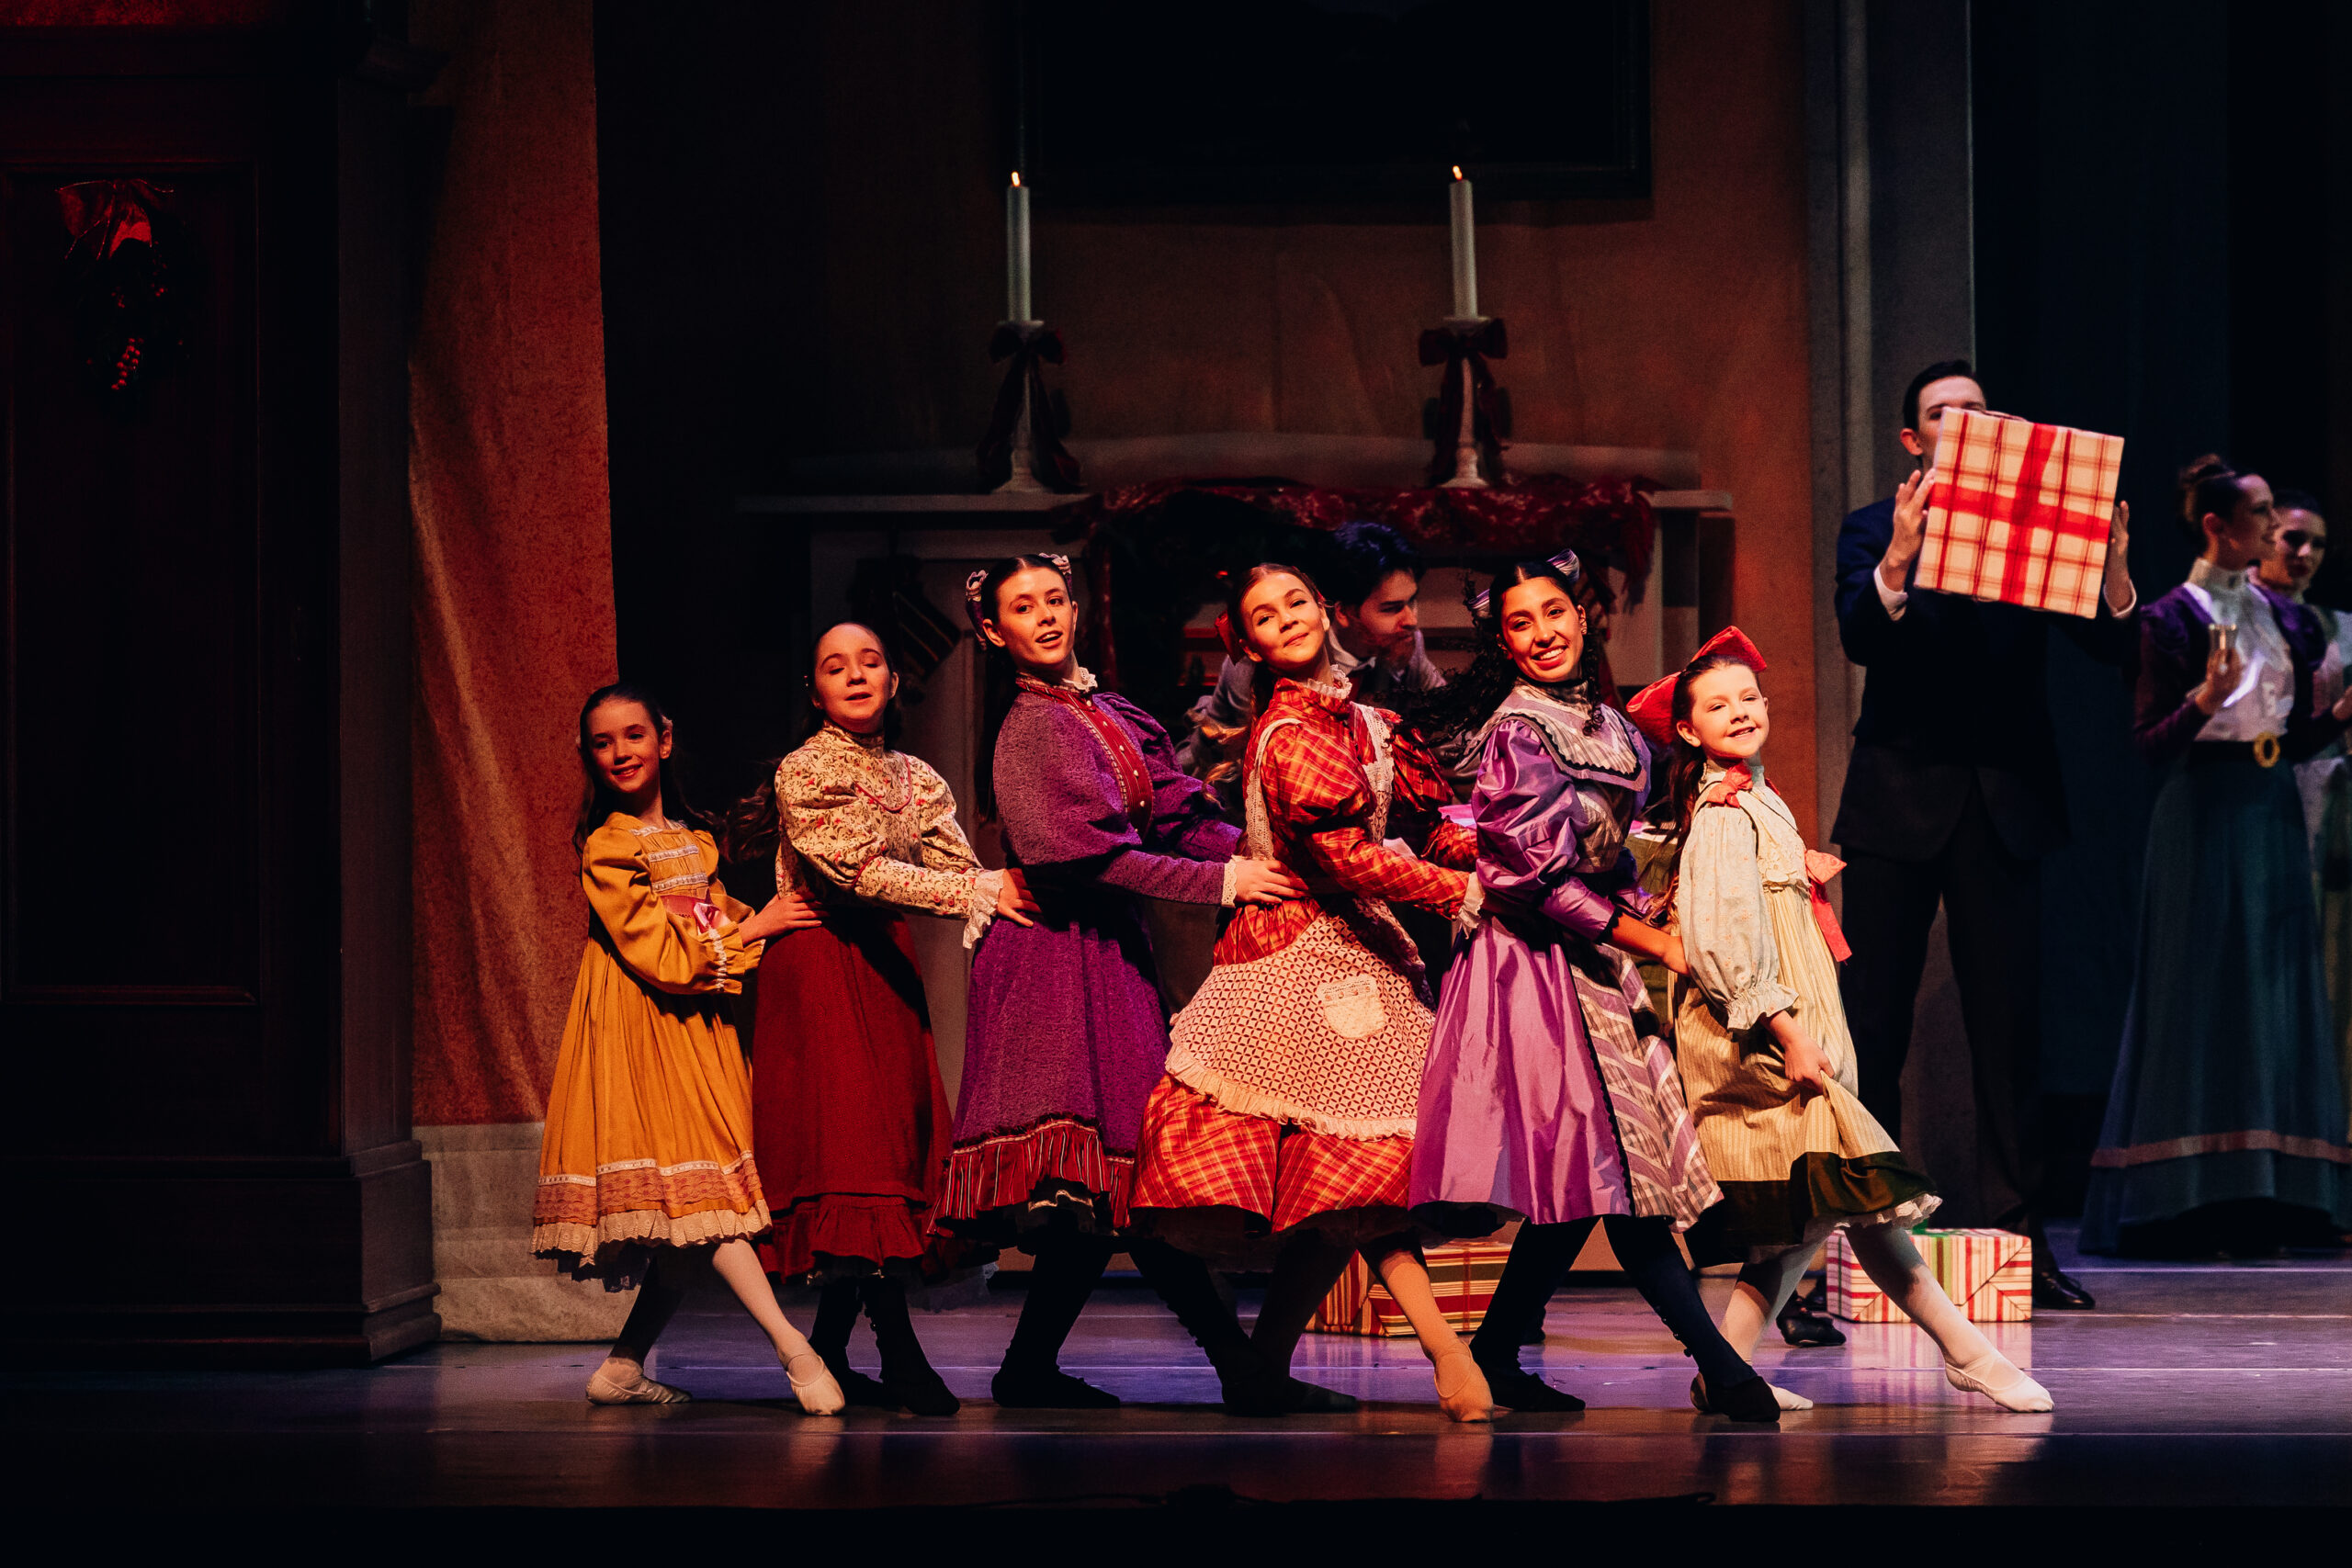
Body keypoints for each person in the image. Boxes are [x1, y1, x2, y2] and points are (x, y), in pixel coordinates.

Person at [946, 554, 1325, 1414]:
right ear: (993, 629)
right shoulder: (1030, 727)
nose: (1046, 616)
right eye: (1023, 607)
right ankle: (1240, 1368)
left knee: (1117, 1184)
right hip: (1053, 961)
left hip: (1109, 953)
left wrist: (1261, 854)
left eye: (1054, 599)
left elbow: (1179, 810)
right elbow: (1088, 860)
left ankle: (1033, 1367)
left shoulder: (1106, 711)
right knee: (1124, 1177)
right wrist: (1224, 883)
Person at [1408, 558, 1783, 1425]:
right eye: (1521, 622)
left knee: (1592, 1179)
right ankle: (1724, 1369)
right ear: (1503, 641)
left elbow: (1607, 861)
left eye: (1555, 612)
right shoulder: (1519, 732)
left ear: (1583, 616)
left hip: (1592, 961)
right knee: (1617, 1176)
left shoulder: (1610, 725)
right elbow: (1530, 878)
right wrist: (1655, 940)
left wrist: (1663, 907)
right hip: (1532, 966)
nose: (1544, 633)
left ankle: (1497, 1351)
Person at [1638, 633, 2053, 1413]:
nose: (1740, 711)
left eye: (1748, 697)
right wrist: (1790, 1034)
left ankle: (1725, 1373)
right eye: (1718, 705)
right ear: (1689, 730)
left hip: (1797, 1027)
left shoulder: (1759, 797)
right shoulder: (1723, 815)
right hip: (1764, 1039)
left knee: (1804, 1222)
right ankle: (1970, 1353)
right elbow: (1724, 943)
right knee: (1864, 1202)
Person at [1130, 562, 1495, 1421]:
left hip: (1364, 952)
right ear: (1249, 644)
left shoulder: (1368, 720)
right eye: (1265, 615)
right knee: (1358, 1175)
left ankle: (1262, 1367)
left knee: (1345, 1185)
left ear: (1325, 611)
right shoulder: (1290, 729)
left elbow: (1427, 822)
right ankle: (1446, 1350)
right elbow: (1342, 855)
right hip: (1297, 961)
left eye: (1296, 601)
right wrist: (1456, 891)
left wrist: (1500, 853)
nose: (1286, 619)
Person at [1833, 358, 2135, 1309]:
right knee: (1872, 1025)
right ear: (1912, 439)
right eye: (1941, 413)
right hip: (1895, 802)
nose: (1962, 422)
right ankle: (1864, 1239)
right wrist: (1898, 559)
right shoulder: (1874, 526)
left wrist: (2112, 567)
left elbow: (2110, 644)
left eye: (1976, 409)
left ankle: (2021, 1237)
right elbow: (1861, 636)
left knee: (2008, 1034)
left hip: (2005, 802)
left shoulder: (2035, 529)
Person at [724, 623, 1037, 1416]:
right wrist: (977, 890)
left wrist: (1008, 894)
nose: (856, 675)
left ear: (894, 681)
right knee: (852, 1149)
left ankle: (833, 1347)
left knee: (886, 1149)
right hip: (821, 960)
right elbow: (857, 871)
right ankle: (899, 1351)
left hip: (885, 963)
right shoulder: (806, 769)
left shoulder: (918, 777)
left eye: (870, 662)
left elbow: (962, 870)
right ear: (815, 690)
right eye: (836, 666)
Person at [531, 682, 844, 1414]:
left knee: (692, 1215)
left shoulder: (693, 839)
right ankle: (795, 1351)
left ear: (664, 739)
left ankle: (621, 1367)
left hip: (695, 1030)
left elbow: (713, 917)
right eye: (603, 742)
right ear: (588, 755)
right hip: (641, 1029)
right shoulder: (610, 847)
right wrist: (753, 929)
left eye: (633, 735)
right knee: (710, 1206)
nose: (621, 752)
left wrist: (764, 919)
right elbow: (661, 952)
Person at [2082, 459, 2352, 1254]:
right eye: (2260, 514)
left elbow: (2290, 736)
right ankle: (2182, 1201)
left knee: (2270, 997)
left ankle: (2276, 1197)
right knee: (2196, 993)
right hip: (2201, 810)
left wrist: (2339, 713)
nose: (2273, 527)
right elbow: (2148, 743)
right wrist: (2203, 699)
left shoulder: (2283, 617)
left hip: (2270, 808)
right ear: (2217, 526)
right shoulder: (2172, 618)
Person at [1180, 521, 1443, 796]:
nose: (1411, 620)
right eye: (1391, 608)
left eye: (1412, 602)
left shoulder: (1406, 644)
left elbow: (1453, 739)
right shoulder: (1268, 657)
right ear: (1342, 612)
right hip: (1229, 791)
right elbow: (1266, 778)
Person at [2256, 489, 2352, 1134]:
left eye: (2317, 542)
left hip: (2336, 804)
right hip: (2269, 795)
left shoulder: (2339, 624)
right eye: (2294, 538)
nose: (2306, 552)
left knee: (2334, 965)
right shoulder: (2242, 614)